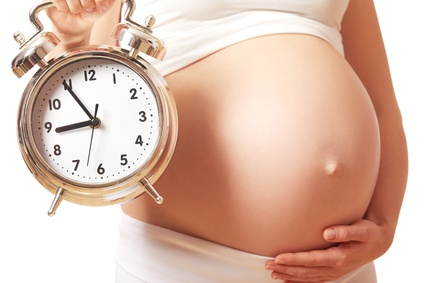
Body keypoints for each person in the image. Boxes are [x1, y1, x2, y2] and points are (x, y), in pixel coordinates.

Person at [45, 0, 408, 282]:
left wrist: (385, 225)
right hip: (183, 262)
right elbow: (94, 99)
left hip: (339, 270)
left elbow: (382, 106)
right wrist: (74, 39)